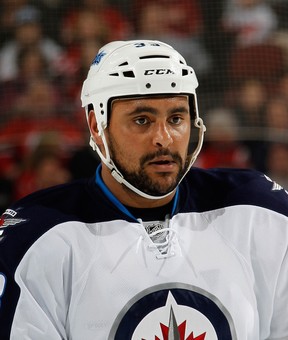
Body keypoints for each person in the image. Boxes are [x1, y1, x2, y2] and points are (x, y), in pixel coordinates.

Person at [0, 40, 287, 339]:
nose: (163, 138)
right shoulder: (34, 238)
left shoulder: (261, 213)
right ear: (97, 126)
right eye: (142, 120)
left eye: (176, 119)